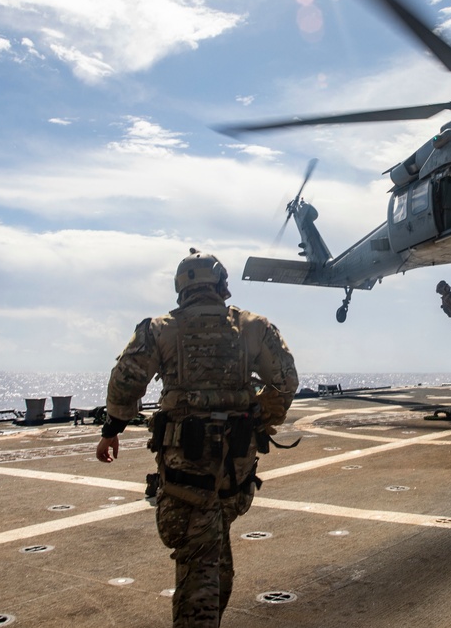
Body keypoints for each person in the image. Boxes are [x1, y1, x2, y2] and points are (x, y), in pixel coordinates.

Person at [96, 249, 298, 627]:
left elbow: (126, 382)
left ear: (180, 288)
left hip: (187, 472)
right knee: (215, 556)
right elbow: (285, 380)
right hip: (235, 472)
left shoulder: (160, 329)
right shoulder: (253, 326)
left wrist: (112, 431)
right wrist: (260, 419)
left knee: (199, 564)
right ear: (222, 286)